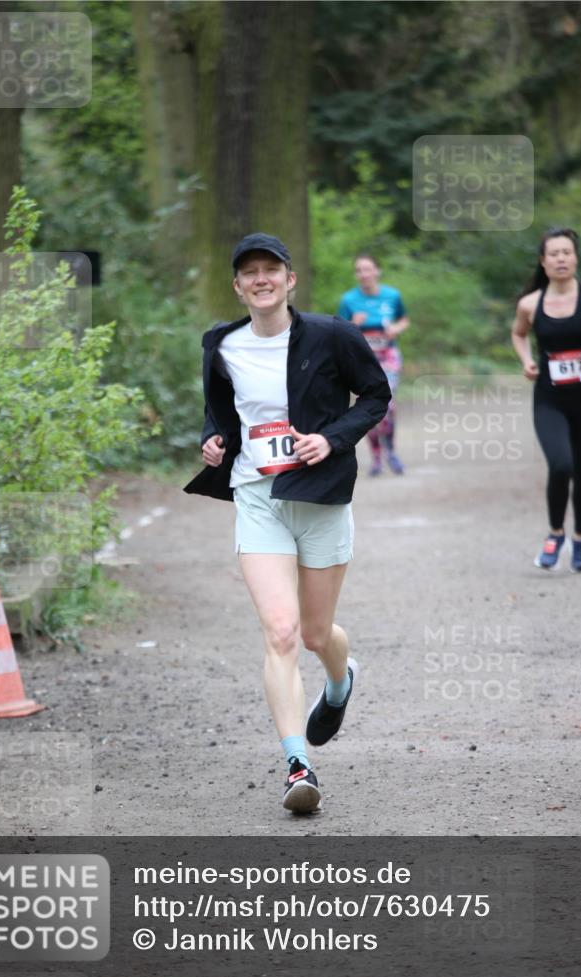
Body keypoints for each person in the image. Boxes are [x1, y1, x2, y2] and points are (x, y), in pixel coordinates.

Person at [184, 233, 391, 813]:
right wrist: (213, 439)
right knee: (280, 632)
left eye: (271, 269)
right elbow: (220, 410)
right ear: (237, 285)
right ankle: (298, 766)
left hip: (322, 497)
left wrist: (332, 438)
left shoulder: (332, 335)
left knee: (317, 636)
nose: (261, 279)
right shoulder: (221, 345)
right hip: (259, 496)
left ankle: (340, 678)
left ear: (290, 279)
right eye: (249, 272)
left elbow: (375, 396)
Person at [510, 227, 581, 572]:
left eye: (567, 252)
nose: (561, 258)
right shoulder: (530, 304)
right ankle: (555, 535)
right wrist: (527, 361)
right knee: (561, 464)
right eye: (554, 253)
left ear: (575, 257)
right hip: (550, 399)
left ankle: (580, 541)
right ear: (544, 261)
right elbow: (519, 334)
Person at [338, 254, 409, 475]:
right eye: (359, 270)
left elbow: (404, 319)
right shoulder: (349, 300)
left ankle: (391, 451)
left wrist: (396, 328)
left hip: (388, 355)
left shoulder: (392, 296)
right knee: (368, 408)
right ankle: (377, 457)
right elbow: (338, 330)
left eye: (368, 269)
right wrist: (352, 325)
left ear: (377, 271)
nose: (364, 274)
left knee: (387, 407)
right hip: (363, 358)